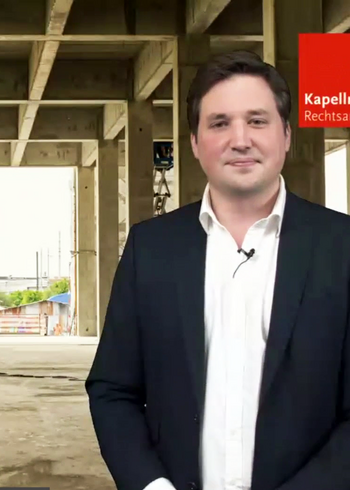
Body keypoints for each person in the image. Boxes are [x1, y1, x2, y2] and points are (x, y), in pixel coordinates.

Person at [86, 50, 350, 490]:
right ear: (194, 142)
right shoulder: (150, 249)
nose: (240, 139)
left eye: (257, 121)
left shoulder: (341, 247)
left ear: (286, 134)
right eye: (220, 123)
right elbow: (113, 390)